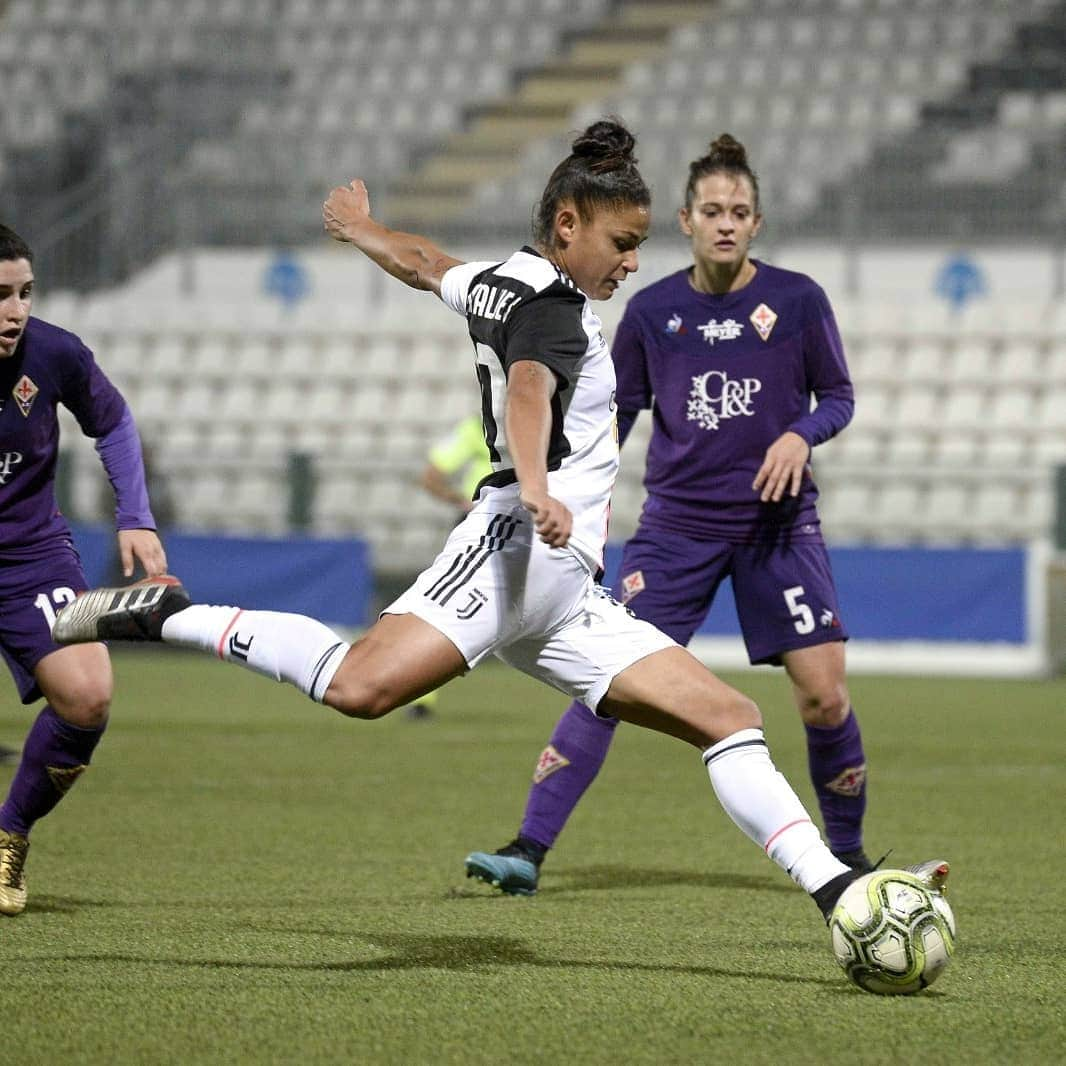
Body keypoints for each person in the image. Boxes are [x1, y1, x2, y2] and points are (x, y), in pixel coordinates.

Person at [52, 122, 947, 937]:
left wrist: (365, 230)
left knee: (727, 716)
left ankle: (840, 894)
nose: (633, 263)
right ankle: (164, 613)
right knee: (361, 689)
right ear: (569, 223)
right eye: (623, 243)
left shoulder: (500, 281)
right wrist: (535, 486)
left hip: (564, 592)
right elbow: (527, 391)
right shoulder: (558, 312)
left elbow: (423, 260)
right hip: (513, 554)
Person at [465, 133, 873, 896]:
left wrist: (798, 433)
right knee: (609, 678)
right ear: (685, 221)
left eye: (740, 211)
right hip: (676, 529)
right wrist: (569, 494)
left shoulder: (797, 300)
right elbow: (610, 418)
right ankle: (527, 847)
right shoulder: (653, 312)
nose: (726, 222)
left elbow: (840, 397)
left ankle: (849, 859)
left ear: (757, 222)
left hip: (778, 528)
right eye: (712, 210)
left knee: (823, 695)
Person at [0, 223, 168, 916]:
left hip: (30, 558)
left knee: (89, 696)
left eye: (24, 293)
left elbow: (115, 421)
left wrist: (136, 515)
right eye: (0, 296)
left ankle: (9, 836)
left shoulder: (54, 353)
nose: (14, 311)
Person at [406, 413, 494, 719]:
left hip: (502, 520)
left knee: (445, 606)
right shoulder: (478, 427)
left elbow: (431, 474)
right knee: (445, 607)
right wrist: (460, 500)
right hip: (482, 520)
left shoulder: (481, 426)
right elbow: (431, 476)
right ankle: (421, 697)